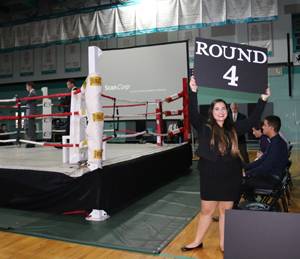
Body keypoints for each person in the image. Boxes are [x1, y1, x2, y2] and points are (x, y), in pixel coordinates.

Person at [181, 76, 270, 252]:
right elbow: (192, 112)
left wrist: (262, 99)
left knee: (225, 212)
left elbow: (253, 120)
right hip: (210, 174)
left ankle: (223, 244)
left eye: (223, 108)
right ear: (211, 112)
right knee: (206, 211)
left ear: (227, 111)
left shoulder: (234, 129)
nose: (221, 111)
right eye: (217, 108)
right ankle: (197, 241)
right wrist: (193, 91)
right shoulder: (203, 126)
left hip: (231, 175)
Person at [241, 115, 289, 202]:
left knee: (241, 182)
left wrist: (246, 174)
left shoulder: (276, 144)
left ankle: (249, 205)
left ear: (270, 128)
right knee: (242, 180)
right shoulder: (274, 141)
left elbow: (265, 166)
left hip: (272, 179)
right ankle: (251, 203)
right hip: (270, 175)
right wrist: (245, 168)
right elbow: (261, 160)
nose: (262, 127)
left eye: (264, 125)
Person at [20, 81, 37, 148]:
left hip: (31, 113)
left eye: (27, 86)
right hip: (29, 113)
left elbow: (26, 101)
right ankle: (31, 141)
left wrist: (18, 101)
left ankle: (32, 142)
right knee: (26, 127)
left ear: (30, 86)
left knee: (30, 128)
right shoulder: (31, 93)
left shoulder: (32, 93)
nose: (26, 88)